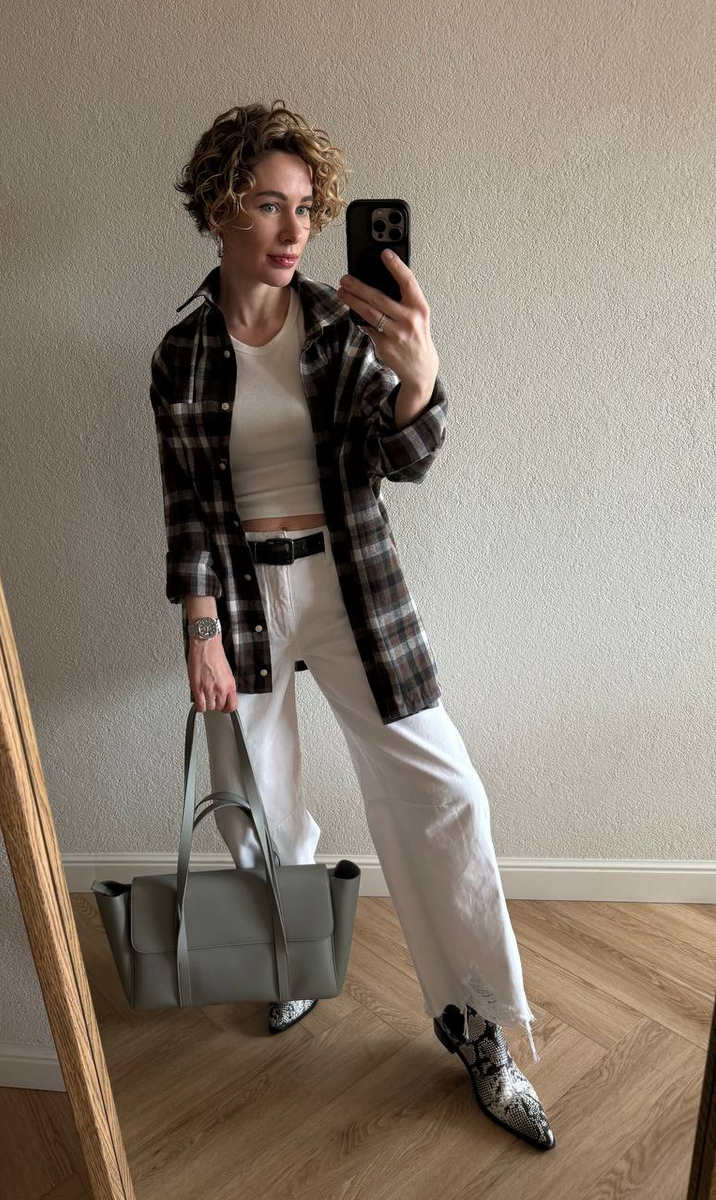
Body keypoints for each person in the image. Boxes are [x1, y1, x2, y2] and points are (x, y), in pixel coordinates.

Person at [150, 100, 556, 1152]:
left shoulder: (340, 327)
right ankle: (293, 957)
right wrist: (198, 626)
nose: (294, 230)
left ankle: (477, 1024)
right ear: (219, 210)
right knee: (258, 807)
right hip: (241, 598)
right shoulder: (180, 354)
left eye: (306, 208)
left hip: (350, 588)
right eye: (267, 205)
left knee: (445, 795)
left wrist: (419, 377)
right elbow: (188, 504)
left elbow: (405, 459)